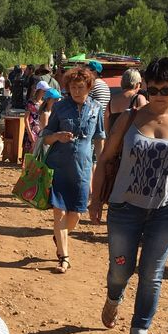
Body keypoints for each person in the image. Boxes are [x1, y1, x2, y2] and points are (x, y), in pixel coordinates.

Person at [90, 57, 168, 334]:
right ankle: (114, 296)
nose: (158, 96)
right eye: (152, 90)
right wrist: (96, 199)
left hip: (166, 211)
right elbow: (106, 159)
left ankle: (139, 331)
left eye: (165, 89)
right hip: (125, 208)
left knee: (152, 272)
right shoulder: (130, 118)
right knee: (120, 269)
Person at [41, 66, 106, 273]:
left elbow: (99, 139)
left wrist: (102, 165)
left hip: (83, 168)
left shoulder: (96, 108)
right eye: (72, 87)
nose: (76, 91)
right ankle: (64, 257)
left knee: (76, 213)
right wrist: (58, 136)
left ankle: (59, 236)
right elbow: (46, 136)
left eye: (80, 87)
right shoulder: (60, 107)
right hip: (58, 165)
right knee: (59, 212)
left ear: (88, 87)